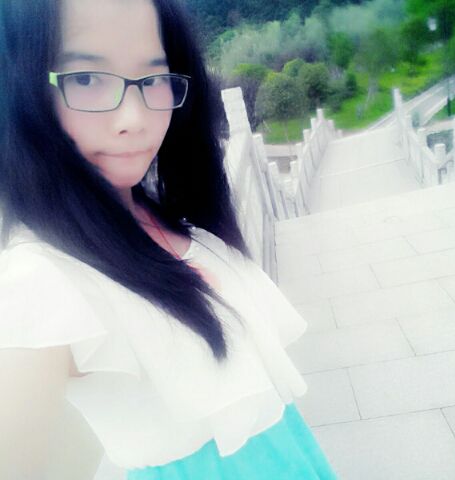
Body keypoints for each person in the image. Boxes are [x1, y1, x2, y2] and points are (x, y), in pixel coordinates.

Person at [0, 0, 338, 479]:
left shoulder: (163, 214)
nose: (134, 118)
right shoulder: (37, 278)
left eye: (154, 79)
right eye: (86, 78)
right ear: (20, 90)